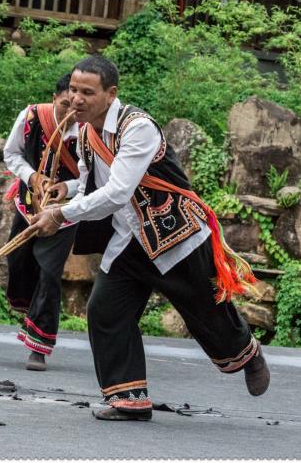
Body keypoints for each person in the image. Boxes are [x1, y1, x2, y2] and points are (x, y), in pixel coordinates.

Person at [24, 55, 269, 421]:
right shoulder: (87, 133)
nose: (76, 99)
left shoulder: (137, 127)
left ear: (111, 94)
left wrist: (61, 215)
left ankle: (246, 353)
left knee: (207, 313)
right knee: (104, 310)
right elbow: (97, 183)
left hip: (176, 237)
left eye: (87, 92)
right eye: (73, 90)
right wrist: (67, 189)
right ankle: (129, 398)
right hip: (129, 240)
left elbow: (119, 191)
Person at [3, 73, 79, 371]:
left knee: (48, 270)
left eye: (76, 107)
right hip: (28, 205)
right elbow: (12, 154)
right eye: (64, 106)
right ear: (54, 99)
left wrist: (67, 188)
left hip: (65, 213)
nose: (70, 114)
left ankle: (39, 345)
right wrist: (33, 176)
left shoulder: (90, 131)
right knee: (18, 260)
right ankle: (29, 311)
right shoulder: (32, 115)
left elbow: (92, 178)